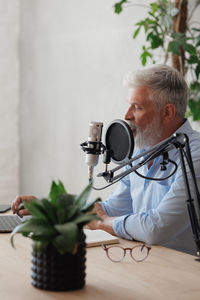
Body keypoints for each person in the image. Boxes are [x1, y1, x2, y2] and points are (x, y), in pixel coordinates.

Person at [12, 64, 200, 255]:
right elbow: (111, 209)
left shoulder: (195, 155)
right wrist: (48, 208)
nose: (127, 115)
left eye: (137, 107)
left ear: (167, 112)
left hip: (182, 273)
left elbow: (156, 228)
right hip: (145, 261)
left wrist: (103, 223)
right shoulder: (140, 151)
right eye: (129, 105)